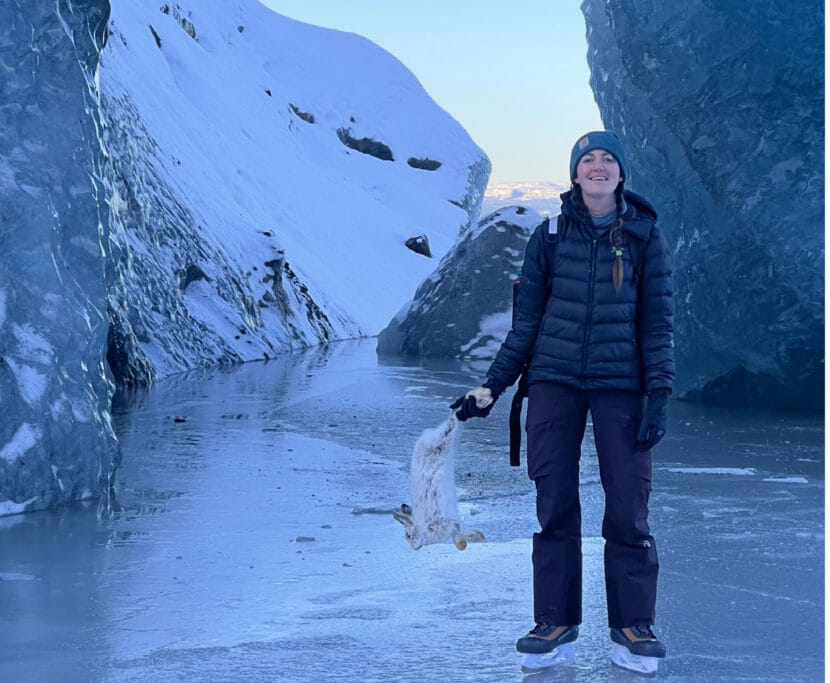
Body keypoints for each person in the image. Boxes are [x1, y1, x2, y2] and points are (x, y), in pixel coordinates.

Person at [451, 130, 674, 672]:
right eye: (587, 160)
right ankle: (555, 621)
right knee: (554, 504)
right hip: (553, 382)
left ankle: (632, 627)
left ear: (621, 173)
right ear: (575, 173)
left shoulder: (645, 238)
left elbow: (658, 323)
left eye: (607, 159)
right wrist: (492, 387)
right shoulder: (548, 236)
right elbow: (525, 324)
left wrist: (659, 392)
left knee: (628, 508)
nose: (597, 167)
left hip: (621, 385)